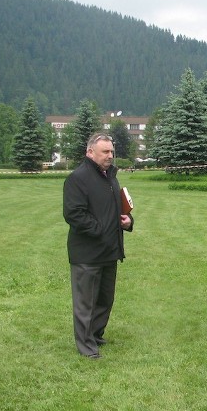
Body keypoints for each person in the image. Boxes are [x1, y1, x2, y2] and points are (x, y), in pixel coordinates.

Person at [63, 133, 134, 359]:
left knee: (105, 299)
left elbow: (116, 209)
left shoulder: (110, 177)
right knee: (85, 303)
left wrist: (127, 221)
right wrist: (101, 230)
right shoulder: (78, 178)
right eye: (105, 151)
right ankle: (86, 346)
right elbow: (74, 214)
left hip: (109, 251)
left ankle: (95, 334)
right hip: (87, 253)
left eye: (112, 151)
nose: (110, 156)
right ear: (90, 152)